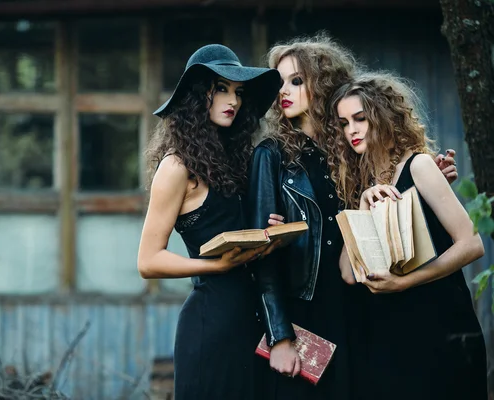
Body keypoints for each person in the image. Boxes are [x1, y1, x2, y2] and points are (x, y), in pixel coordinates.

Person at [247, 33, 459, 400]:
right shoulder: (273, 154)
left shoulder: (349, 148)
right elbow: (260, 254)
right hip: (308, 308)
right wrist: (279, 334)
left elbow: (395, 175)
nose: (285, 90)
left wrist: (431, 174)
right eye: (279, 82)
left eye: (297, 81)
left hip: (363, 300)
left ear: (323, 84)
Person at [137, 44, 282, 400]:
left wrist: (273, 227)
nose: (232, 100)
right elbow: (148, 261)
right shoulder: (176, 167)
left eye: (238, 92)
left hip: (254, 321)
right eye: (221, 89)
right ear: (197, 97)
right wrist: (216, 265)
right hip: (210, 323)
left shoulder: (241, 160)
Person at [331, 72, 487, 400]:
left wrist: (405, 281)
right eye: (344, 123)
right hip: (388, 335)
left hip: (440, 326)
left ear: (383, 117)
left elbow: (472, 244)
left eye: (360, 118)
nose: (351, 131)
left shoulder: (419, 167)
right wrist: (360, 205)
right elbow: (348, 273)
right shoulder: (361, 185)